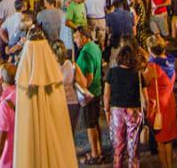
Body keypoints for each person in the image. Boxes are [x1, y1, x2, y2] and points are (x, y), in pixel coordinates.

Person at [104, 43, 144, 168]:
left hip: (116, 111)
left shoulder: (112, 72)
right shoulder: (137, 74)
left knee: (118, 147)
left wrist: (107, 111)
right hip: (133, 110)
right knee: (133, 147)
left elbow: (106, 95)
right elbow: (145, 97)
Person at [142, 37, 177, 168]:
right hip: (169, 104)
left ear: (150, 49)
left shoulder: (152, 67)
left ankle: (165, 165)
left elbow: (143, 82)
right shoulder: (170, 61)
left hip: (157, 108)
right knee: (168, 140)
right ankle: (170, 164)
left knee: (160, 142)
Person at [73, 26, 104, 164]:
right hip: (97, 91)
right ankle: (99, 149)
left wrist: (79, 83)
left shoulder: (85, 53)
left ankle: (94, 154)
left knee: (90, 125)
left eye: (77, 37)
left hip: (89, 94)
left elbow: (88, 78)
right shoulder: (95, 47)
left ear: (84, 37)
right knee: (95, 122)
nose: (75, 40)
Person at [53, 40, 89, 136]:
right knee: (70, 133)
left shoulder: (50, 67)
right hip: (73, 103)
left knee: (57, 134)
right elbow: (84, 83)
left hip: (57, 103)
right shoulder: (72, 65)